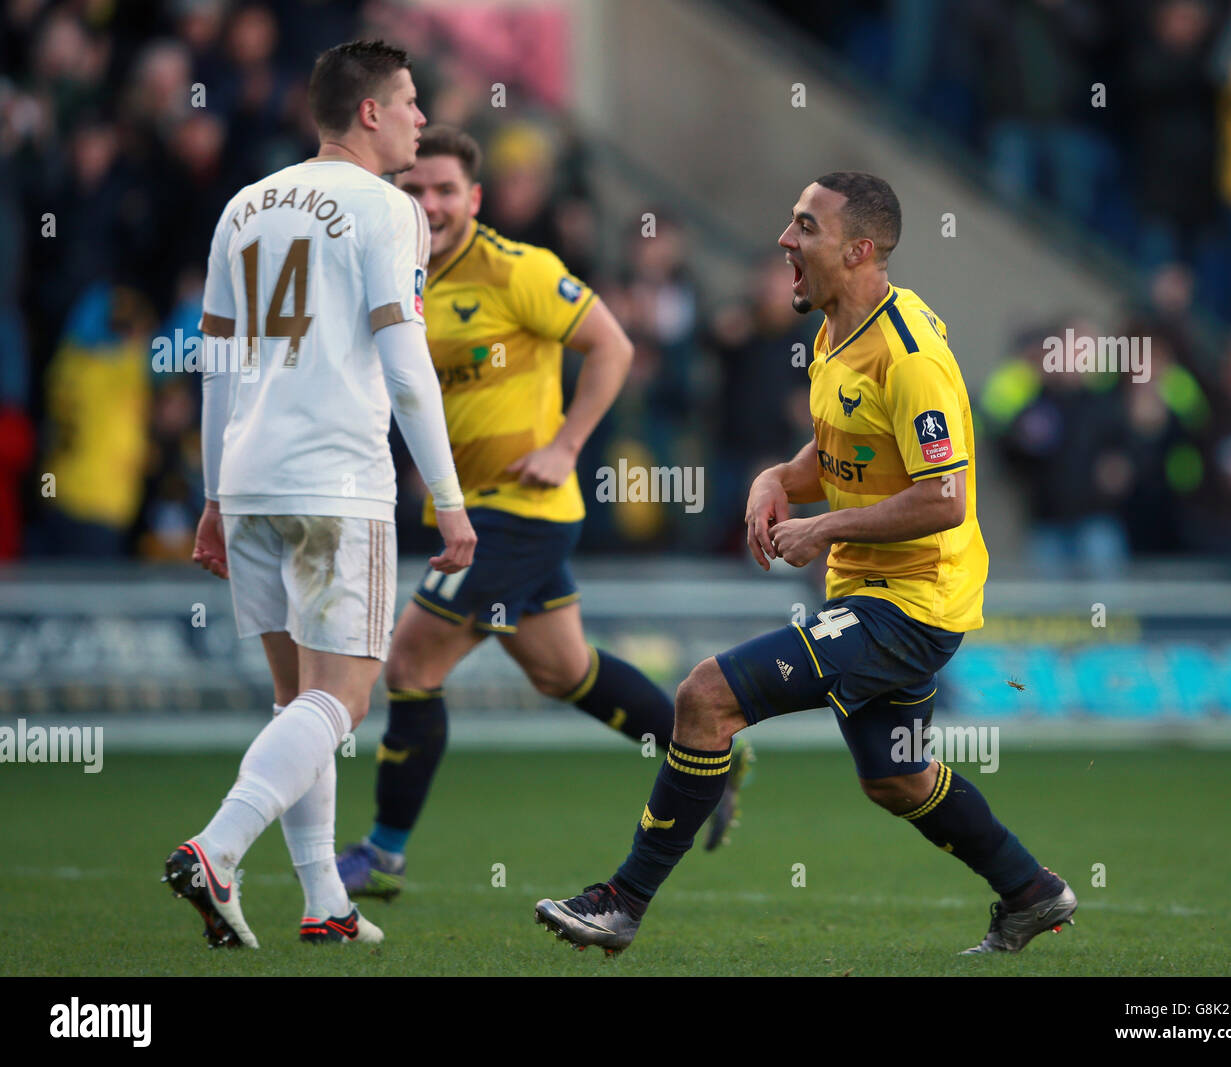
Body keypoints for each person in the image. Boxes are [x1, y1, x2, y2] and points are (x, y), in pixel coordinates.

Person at [535, 172, 1076, 956]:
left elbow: (946, 498)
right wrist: (776, 479)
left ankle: (621, 900)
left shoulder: (910, 355)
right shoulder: (834, 331)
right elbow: (839, 450)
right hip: (877, 589)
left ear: (858, 250)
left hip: (912, 601)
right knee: (896, 777)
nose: (785, 240)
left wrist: (823, 529)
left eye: (804, 227)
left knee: (705, 696)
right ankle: (1031, 892)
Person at [336, 126, 751, 901]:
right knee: (565, 670)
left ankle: (383, 854)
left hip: (518, 512)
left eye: (446, 191)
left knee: (411, 665)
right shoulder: (394, 274)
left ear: (475, 198)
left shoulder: (515, 268)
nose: (430, 204)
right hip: (468, 509)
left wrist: (565, 445)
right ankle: (705, 749)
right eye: (415, 189)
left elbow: (614, 346)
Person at [164, 40, 476, 948]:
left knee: (298, 699)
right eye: (411, 100)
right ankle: (217, 849)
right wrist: (449, 499)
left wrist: (216, 494)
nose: (422, 117)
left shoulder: (241, 208)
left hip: (252, 477)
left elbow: (214, 364)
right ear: (369, 112)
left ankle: (325, 903)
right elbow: (406, 362)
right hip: (338, 482)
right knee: (340, 699)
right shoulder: (390, 210)